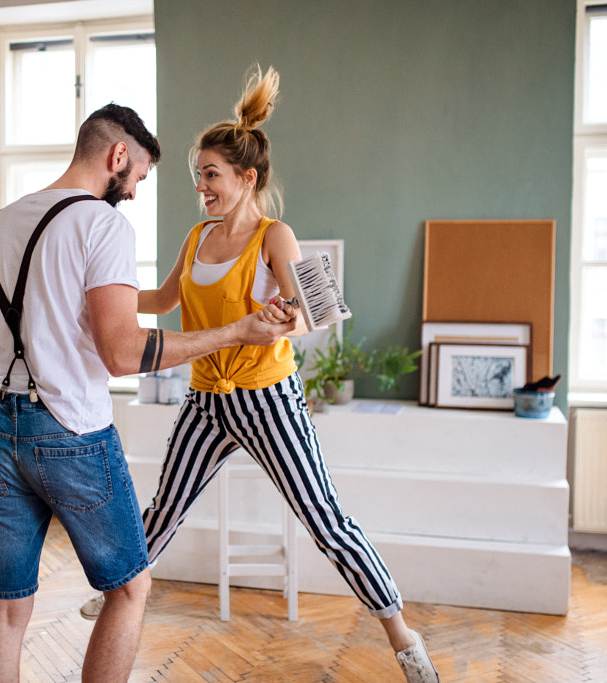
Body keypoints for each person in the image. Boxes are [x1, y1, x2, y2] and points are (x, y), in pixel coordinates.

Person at [79, 69, 440, 682]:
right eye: (198, 175)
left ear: (247, 178)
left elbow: (314, 317)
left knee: (326, 522)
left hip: (269, 399)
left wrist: (280, 322)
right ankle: (121, 590)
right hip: (206, 402)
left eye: (211, 174)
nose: (201, 186)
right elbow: (164, 300)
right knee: (164, 509)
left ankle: (404, 638)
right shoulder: (196, 237)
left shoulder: (277, 236)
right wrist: (95, 292)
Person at [0, 102, 296, 683]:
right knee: (128, 588)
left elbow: (53, 310)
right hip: (67, 429)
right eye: (140, 176)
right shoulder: (102, 223)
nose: (137, 193)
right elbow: (122, 353)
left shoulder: (6, 219)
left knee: (6, 609)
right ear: (119, 156)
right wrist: (236, 331)